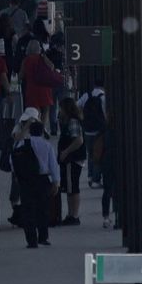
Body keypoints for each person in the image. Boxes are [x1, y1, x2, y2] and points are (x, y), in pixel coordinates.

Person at [11, 118, 59, 248]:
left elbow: (13, 160)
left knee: (28, 209)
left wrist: (17, 175)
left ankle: (31, 240)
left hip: (26, 180)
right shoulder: (47, 145)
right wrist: (56, 182)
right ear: (42, 132)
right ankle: (43, 237)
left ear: (30, 132)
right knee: (43, 209)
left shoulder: (22, 144)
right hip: (42, 179)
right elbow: (53, 165)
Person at [56, 96, 86, 225]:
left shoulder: (72, 122)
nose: (59, 111)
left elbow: (78, 140)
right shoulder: (69, 121)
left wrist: (66, 152)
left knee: (72, 187)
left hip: (72, 158)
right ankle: (71, 213)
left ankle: (73, 214)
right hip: (72, 158)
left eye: (61, 108)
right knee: (70, 187)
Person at [19, 38, 63, 125]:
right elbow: (52, 67)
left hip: (31, 88)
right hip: (44, 87)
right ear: (39, 48)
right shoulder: (42, 57)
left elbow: (21, 75)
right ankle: (43, 128)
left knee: (35, 109)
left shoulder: (26, 60)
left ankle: (36, 126)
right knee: (46, 109)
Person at [78, 75, 108, 188]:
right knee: (99, 155)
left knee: (90, 154)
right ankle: (96, 180)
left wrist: (82, 119)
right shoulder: (103, 97)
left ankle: (90, 176)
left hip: (87, 130)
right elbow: (106, 114)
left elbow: (76, 106)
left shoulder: (87, 95)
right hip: (99, 131)